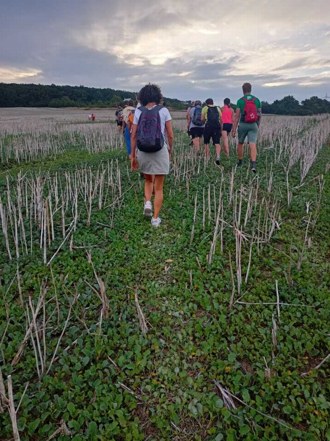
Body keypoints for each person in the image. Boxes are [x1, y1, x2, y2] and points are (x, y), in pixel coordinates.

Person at [131, 84, 174, 227]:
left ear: (142, 97)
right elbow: (170, 135)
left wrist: (133, 156)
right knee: (159, 187)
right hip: (159, 149)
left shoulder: (138, 111)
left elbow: (134, 135)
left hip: (143, 150)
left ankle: (147, 202)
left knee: (148, 180)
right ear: (158, 96)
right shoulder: (164, 110)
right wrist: (169, 149)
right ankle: (155, 219)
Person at [232, 83, 261, 172]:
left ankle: (240, 162)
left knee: (240, 143)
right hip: (253, 124)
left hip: (243, 124)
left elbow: (237, 117)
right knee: (253, 144)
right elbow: (259, 114)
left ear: (243, 90)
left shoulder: (240, 101)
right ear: (251, 89)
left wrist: (234, 129)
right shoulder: (257, 100)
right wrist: (257, 125)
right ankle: (253, 165)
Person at [201, 98, 222, 164]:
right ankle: (218, 156)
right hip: (217, 126)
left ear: (207, 103)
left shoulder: (205, 108)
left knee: (206, 142)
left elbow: (202, 118)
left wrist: (203, 122)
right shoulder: (218, 108)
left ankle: (207, 157)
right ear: (213, 103)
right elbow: (221, 119)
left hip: (208, 126)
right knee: (217, 142)